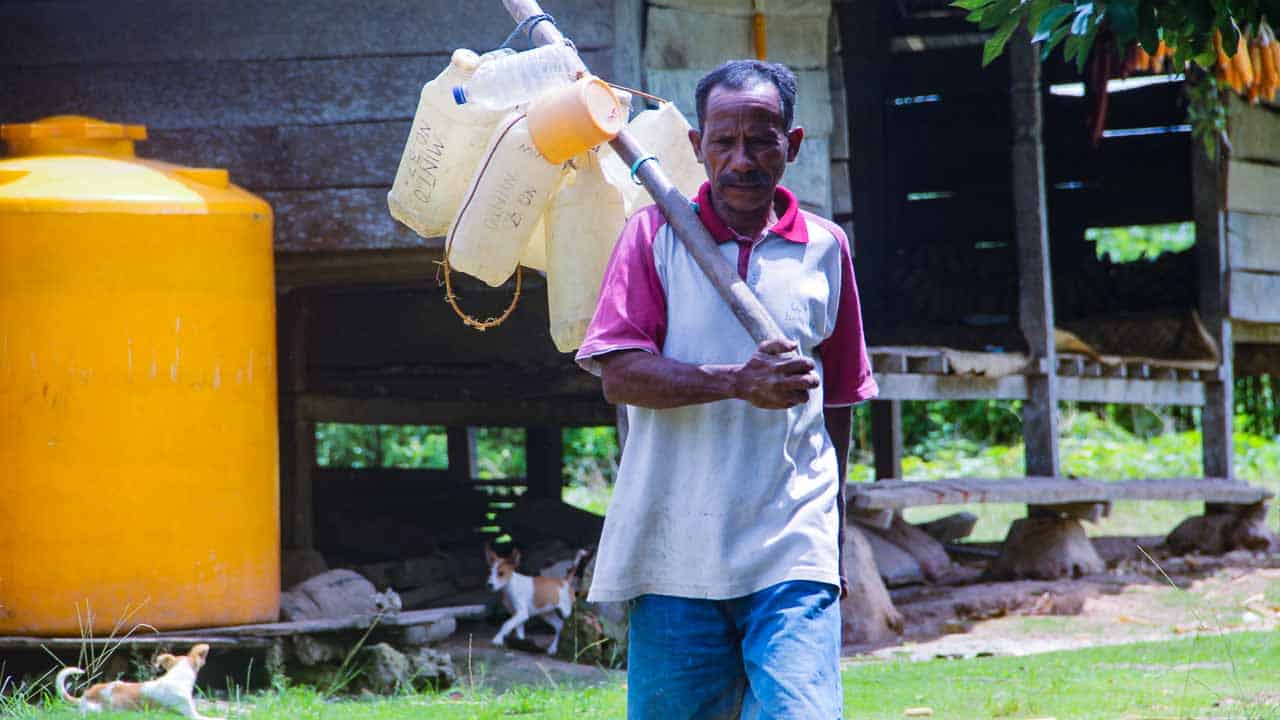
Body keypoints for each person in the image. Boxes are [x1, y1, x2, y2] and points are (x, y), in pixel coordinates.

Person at [575, 59, 876, 719]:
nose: (743, 160)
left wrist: (834, 537)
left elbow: (840, 403)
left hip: (791, 544)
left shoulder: (825, 249)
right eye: (724, 141)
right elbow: (620, 374)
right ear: (696, 147)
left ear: (792, 146)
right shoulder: (652, 238)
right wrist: (737, 382)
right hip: (674, 551)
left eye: (762, 139)